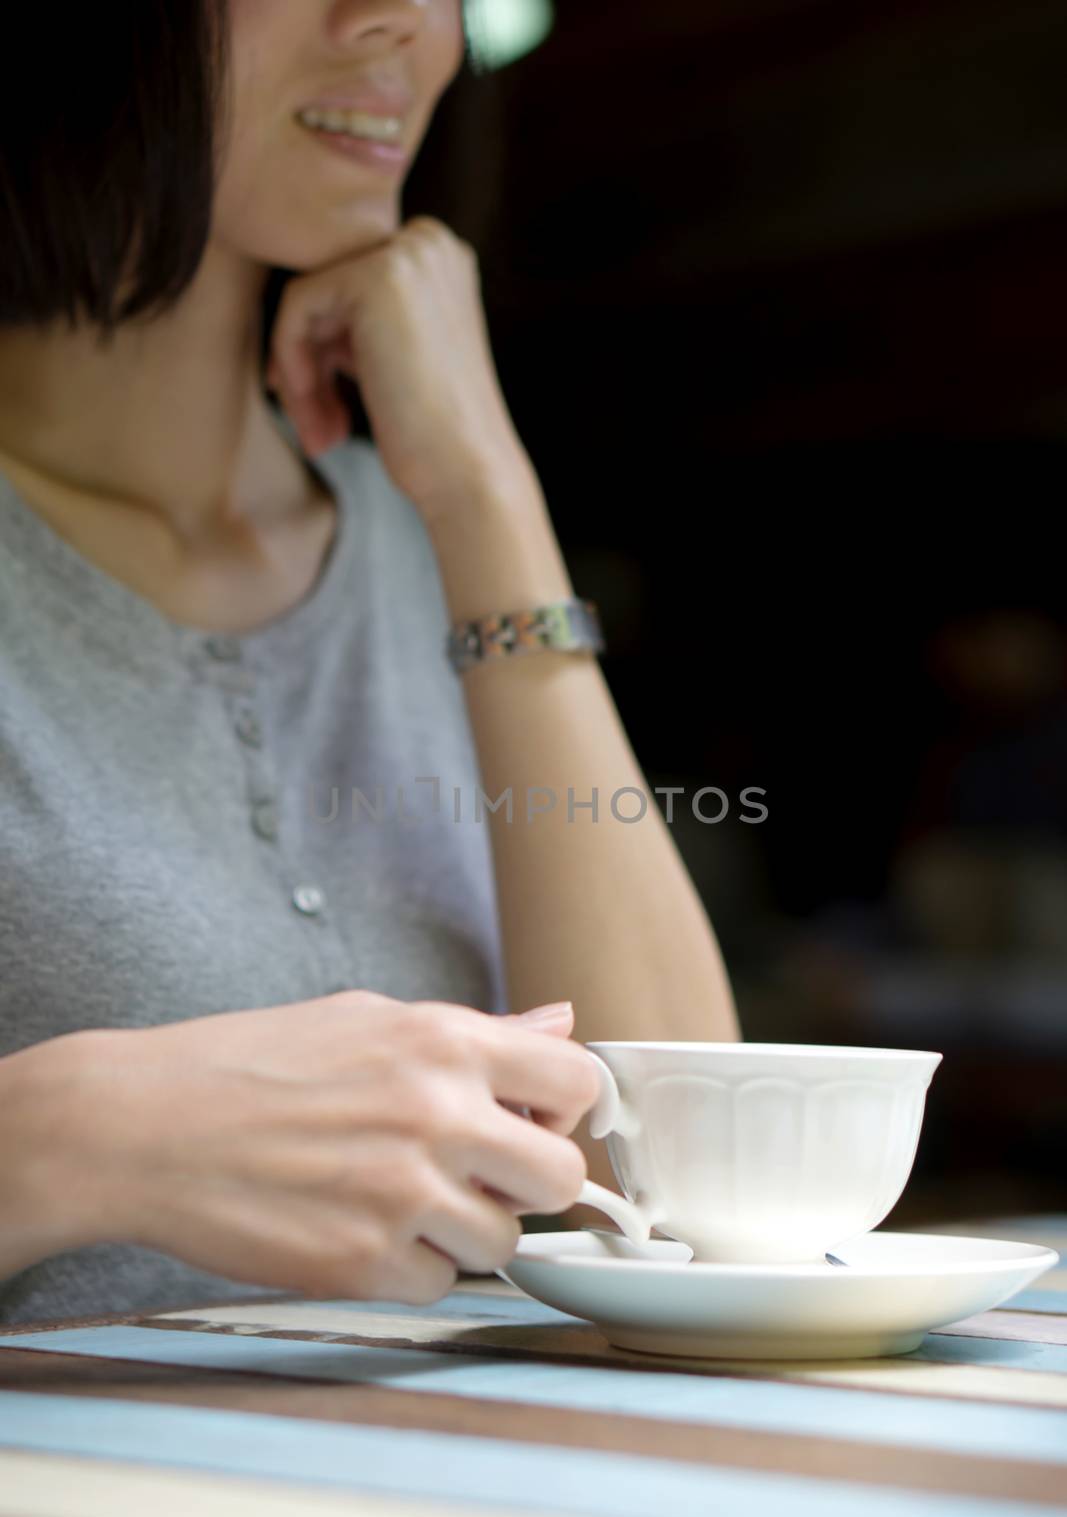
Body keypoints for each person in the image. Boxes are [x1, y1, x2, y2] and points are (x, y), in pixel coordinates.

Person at [0, 0, 739, 1323]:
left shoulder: (419, 529)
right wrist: (81, 1131)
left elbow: (695, 1185)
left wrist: (482, 494)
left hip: (476, 1515)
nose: (403, 16)